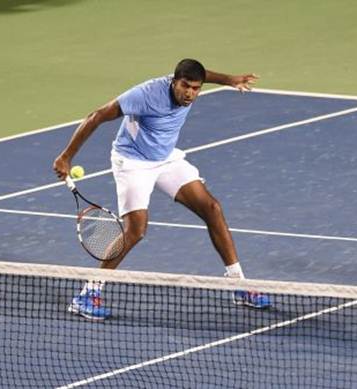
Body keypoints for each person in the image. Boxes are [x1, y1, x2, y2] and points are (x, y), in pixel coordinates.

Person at [53, 59, 271, 320]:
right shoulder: (145, 95)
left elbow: (204, 75)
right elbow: (96, 116)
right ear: (173, 82)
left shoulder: (191, 84)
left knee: (212, 208)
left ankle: (238, 284)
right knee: (136, 230)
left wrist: (229, 79)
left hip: (166, 158)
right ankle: (89, 292)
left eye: (196, 88)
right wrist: (66, 156)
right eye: (185, 86)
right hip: (133, 162)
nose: (190, 93)